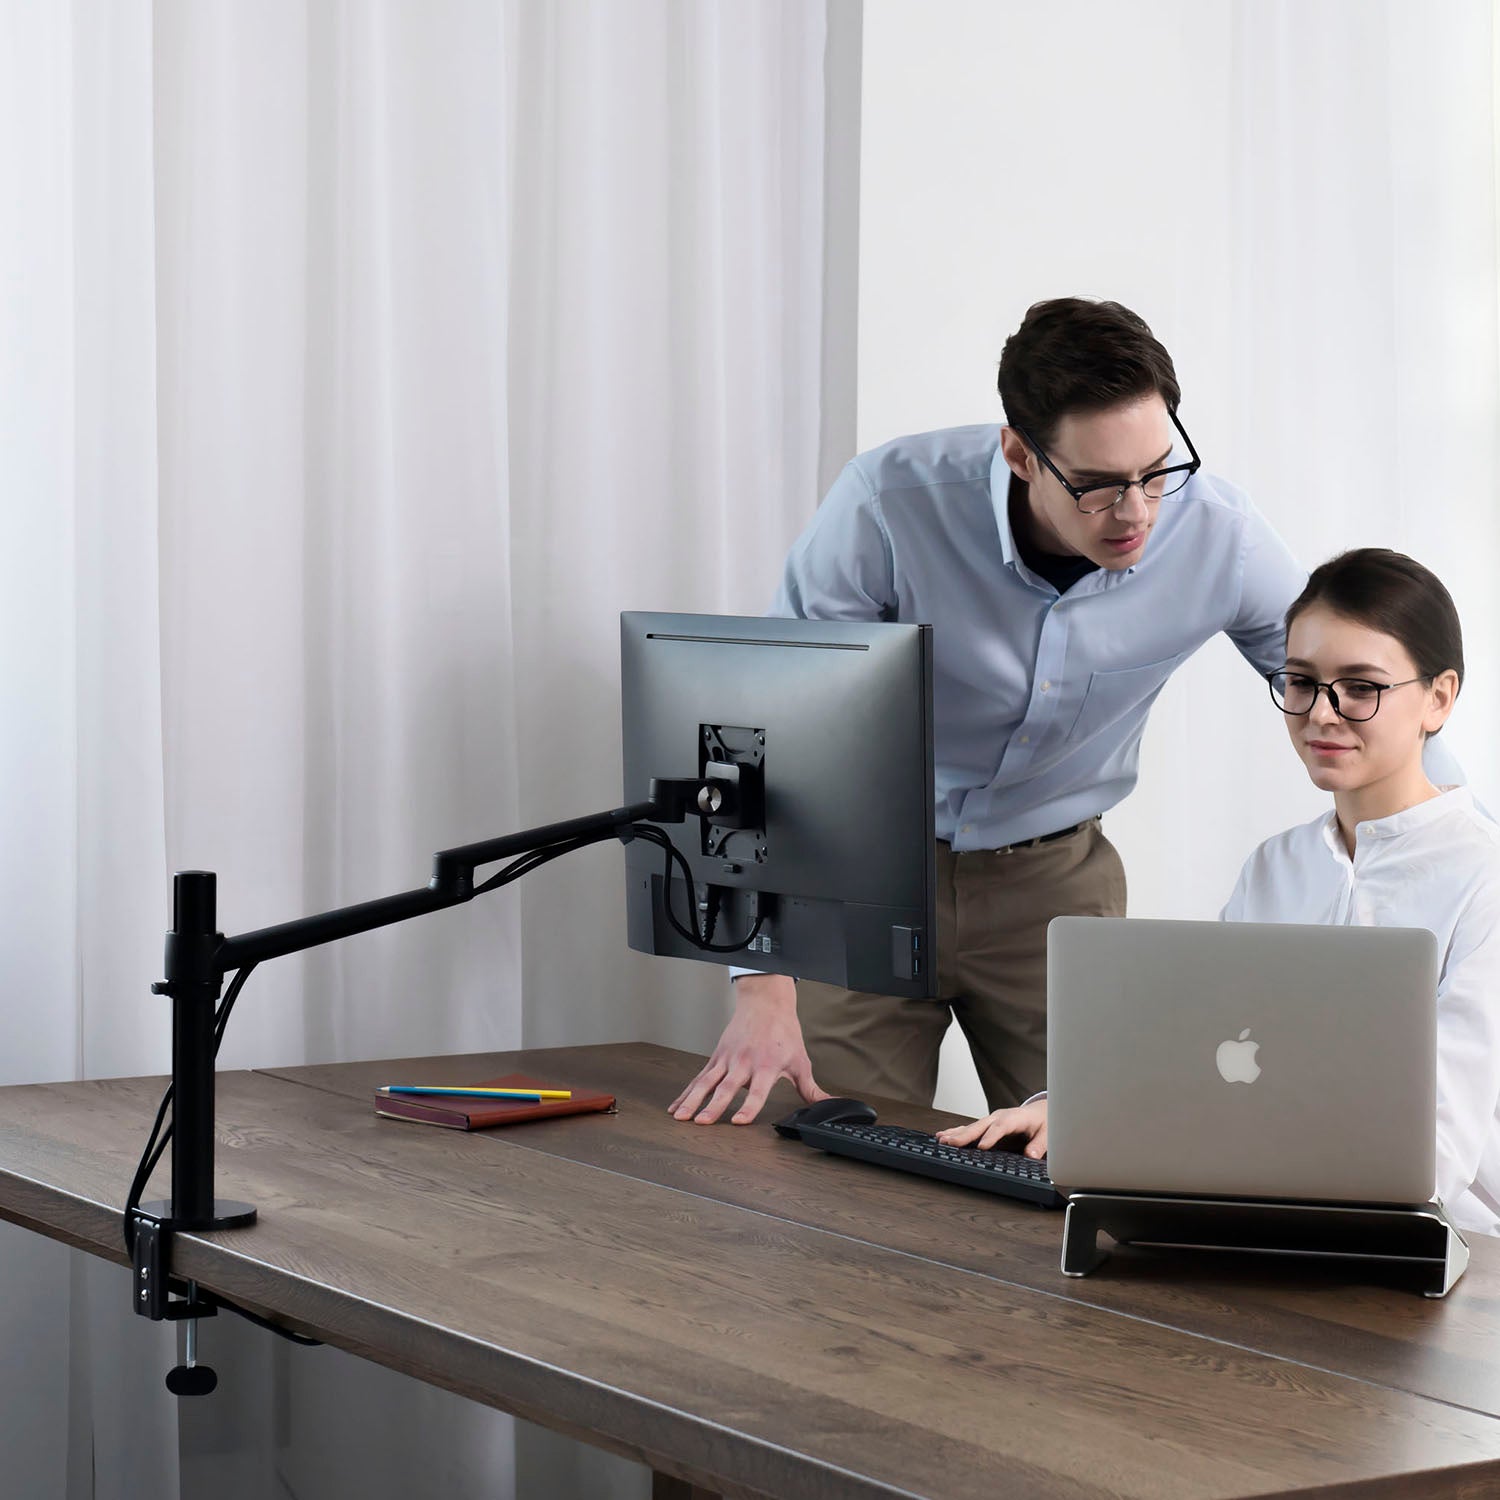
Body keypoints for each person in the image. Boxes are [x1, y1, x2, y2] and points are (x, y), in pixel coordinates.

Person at [669, 296, 1309, 1127]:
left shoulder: (1222, 535)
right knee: (824, 1150)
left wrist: (1444, 840)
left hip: (1055, 883)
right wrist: (761, 979)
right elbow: (764, 735)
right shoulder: (885, 507)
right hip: (866, 875)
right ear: (1019, 453)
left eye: (1156, 472)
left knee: (1097, 1151)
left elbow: (1350, 685)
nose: (1138, 512)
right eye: (1098, 485)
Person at [939, 549, 1500, 1236]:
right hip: (1265, 1210)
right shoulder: (1277, 866)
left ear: (1439, 698)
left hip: (1450, 1244)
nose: (1321, 714)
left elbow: (1436, 1154)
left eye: (1361, 687)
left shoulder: (1483, 877)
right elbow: (1206, 1053)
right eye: (1301, 682)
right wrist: (1078, 1109)